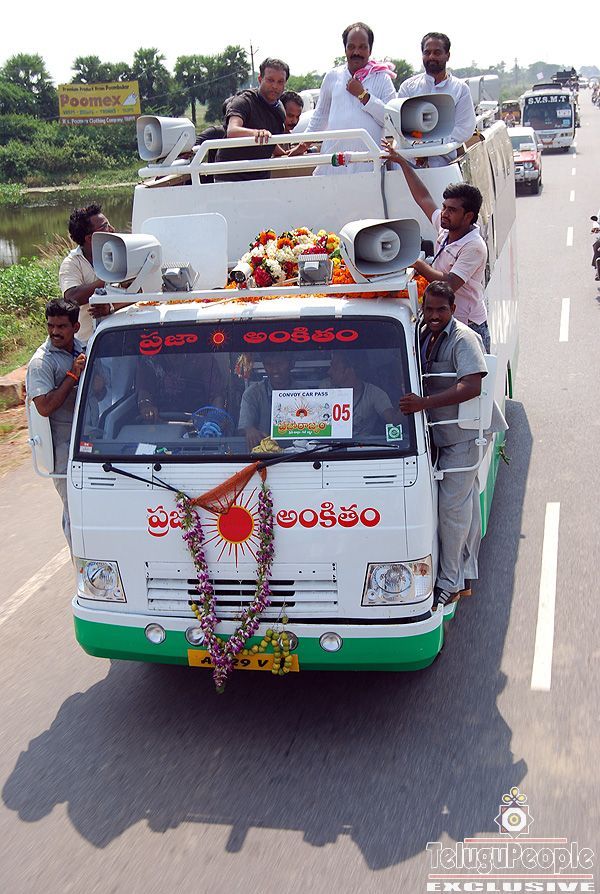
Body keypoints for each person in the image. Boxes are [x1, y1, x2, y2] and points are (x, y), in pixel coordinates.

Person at [399, 282, 507, 608]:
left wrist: (424, 404)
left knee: (451, 511)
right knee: (465, 505)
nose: (434, 315)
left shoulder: (463, 338)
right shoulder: (424, 332)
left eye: (441, 310)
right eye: (429, 309)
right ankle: (466, 573)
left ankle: (449, 583)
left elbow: (471, 386)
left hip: (464, 436)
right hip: (442, 435)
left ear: (453, 309)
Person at [381, 146, 490, 351]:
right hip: (447, 323)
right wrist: (402, 162)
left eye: (452, 210)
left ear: (468, 216)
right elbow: (423, 198)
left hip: (468, 327)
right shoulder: (446, 226)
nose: (444, 213)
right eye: (445, 207)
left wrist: (417, 263)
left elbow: (449, 283)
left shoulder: (474, 246)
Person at [26, 299, 86, 550]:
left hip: (89, 444)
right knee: (75, 514)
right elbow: (44, 407)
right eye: (51, 325)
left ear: (76, 327)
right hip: (63, 451)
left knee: (91, 509)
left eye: (61, 326)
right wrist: (72, 375)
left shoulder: (81, 348)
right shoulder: (42, 362)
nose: (55, 332)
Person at [304, 22, 397, 175]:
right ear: (345, 49)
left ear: (370, 50)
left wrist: (364, 96)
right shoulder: (333, 77)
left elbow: (391, 120)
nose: (356, 52)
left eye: (362, 47)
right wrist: (302, 144)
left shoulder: (382, 78)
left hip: (369, 168)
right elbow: (320, 116)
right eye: (351, 47)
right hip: (333, 166)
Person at [397, 32, 476, 167]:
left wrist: (429, 143)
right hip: (411, 167)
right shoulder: (408, 88)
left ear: (447, 55)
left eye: (437, 52)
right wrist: (419, 145)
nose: (431, 57)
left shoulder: (460, 89)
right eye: (427, 52)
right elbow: (400, 127)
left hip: (446, 167)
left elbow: (464, 129)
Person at [214, 58, 289, 182]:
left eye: (280, 82)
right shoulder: (244, 101)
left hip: (261, 177)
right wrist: (257, 133)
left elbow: (270, 140)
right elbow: (232, 131)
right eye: (270, 80)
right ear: (260, 79)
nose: (275, 86)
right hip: (231, 177)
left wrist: (285, 154)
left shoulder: (280, 109)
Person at [58, 204, 115, 345]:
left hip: (120, 334)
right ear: (90, 238)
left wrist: (111, 307)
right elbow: (71, 297)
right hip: (88, 343)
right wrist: (108, 278)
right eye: (105, 226)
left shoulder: (120, 254)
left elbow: (138, 292)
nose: (112, 229)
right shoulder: (72, 263)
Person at [327, 352, 401, 436]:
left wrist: (407, 400)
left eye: (334, 367)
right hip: (329, 443)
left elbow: (393, 420)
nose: (329, 372)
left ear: (350, 370)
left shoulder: (374, 393)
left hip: (363, 443)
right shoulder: (326, 388)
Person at [238, 353, 292, 449]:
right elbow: (244, 427)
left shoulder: (305, 393)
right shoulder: (252, 393)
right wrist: (249, 430)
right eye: (269, 364)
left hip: (302, 453)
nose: (275, 370)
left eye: (279, 363)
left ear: (291, 363)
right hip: (264, 455)